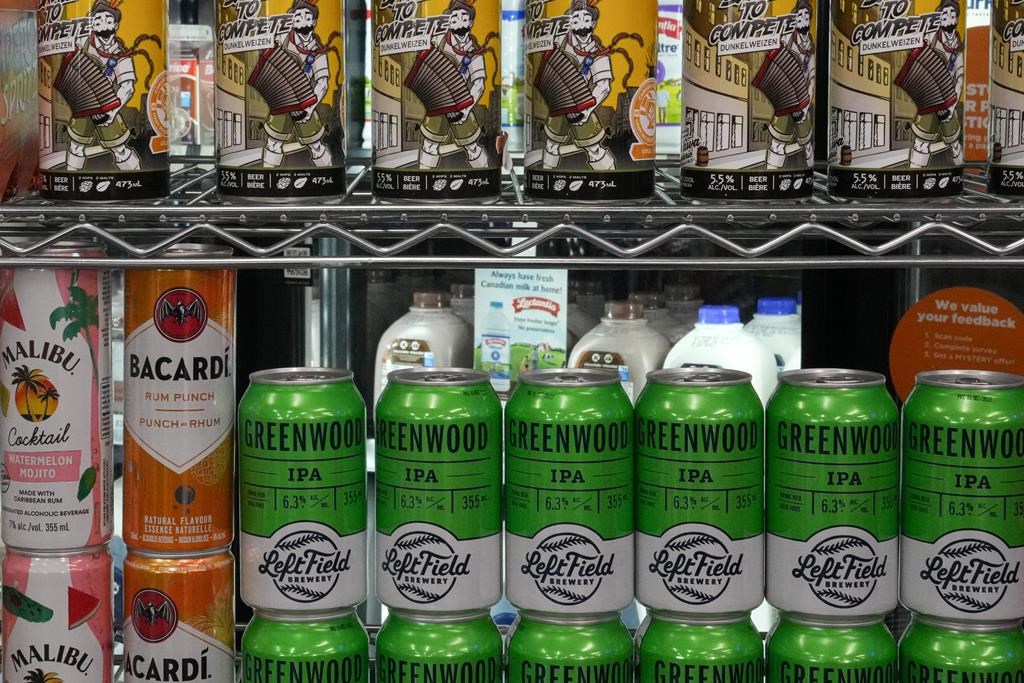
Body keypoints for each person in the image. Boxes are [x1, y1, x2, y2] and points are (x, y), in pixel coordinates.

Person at [66, 0, 140, 171]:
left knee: (120, 149)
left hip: (106, 108)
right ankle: (71, 181)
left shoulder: (122, 57)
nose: (102, 26)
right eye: (97, 22)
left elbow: (127, 87)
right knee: (75, 146)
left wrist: (112, 111)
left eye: (107, 21)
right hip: (84, 104)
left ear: (115, 25)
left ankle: (138, 178)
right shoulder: (84, 42)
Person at [541, 0, 615, 170]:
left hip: (580, 105)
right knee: (551, 144)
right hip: (558, 103)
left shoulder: (598, 55)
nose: (581, 25)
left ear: (593, 23)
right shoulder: (560, 41)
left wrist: (586, 110)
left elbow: (604, 86)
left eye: (586, 20)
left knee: (594, 149)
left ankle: (611, 177)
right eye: (575, 20)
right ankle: (546, 177)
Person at [416, 0, 490, 169]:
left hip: (460, 103)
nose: (459, 22)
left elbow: (479, 84)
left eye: (463, 18)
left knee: (472, 146)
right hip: (439, 101)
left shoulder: (475, 53)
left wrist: (465, 110)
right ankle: (424, 180)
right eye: (454, 17)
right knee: (429, 145)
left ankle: (484, 177)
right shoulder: (438, 41)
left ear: (470, 23)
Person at [261, 0, 333, 168]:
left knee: (315, 145)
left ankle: (328, 176)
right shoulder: (281, 39)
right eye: (297, 17)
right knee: (273, 143)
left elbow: (322, 83)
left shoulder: (318, 53)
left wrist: (309, 109)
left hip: (304, 102)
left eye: (307, 18)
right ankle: (267, 179)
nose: (302, 22)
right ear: (292, 20)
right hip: (283, 99)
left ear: (314, 22)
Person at [907, 0, 963, 168]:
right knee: (921, 142)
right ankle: (913, 179)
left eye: (952, 15)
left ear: (957, 19)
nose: (949, 18)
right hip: (931, 98)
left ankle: (956, 174)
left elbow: (960, 79)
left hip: (948, 101)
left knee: (954, 143)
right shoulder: (931, 36)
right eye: (945, 14)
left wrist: (952, 107)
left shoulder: (958, 50)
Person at [762, 0, 814, 169]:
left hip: (803, 99)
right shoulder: (786, 37)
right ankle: (771, 178)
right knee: (778, 141)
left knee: (807, 142)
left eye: (806, 14)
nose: (803, 17)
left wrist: (806, 105)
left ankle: (806, 168)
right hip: (787, 96)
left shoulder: (811, 45)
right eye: (799, 14)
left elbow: (812, 77)